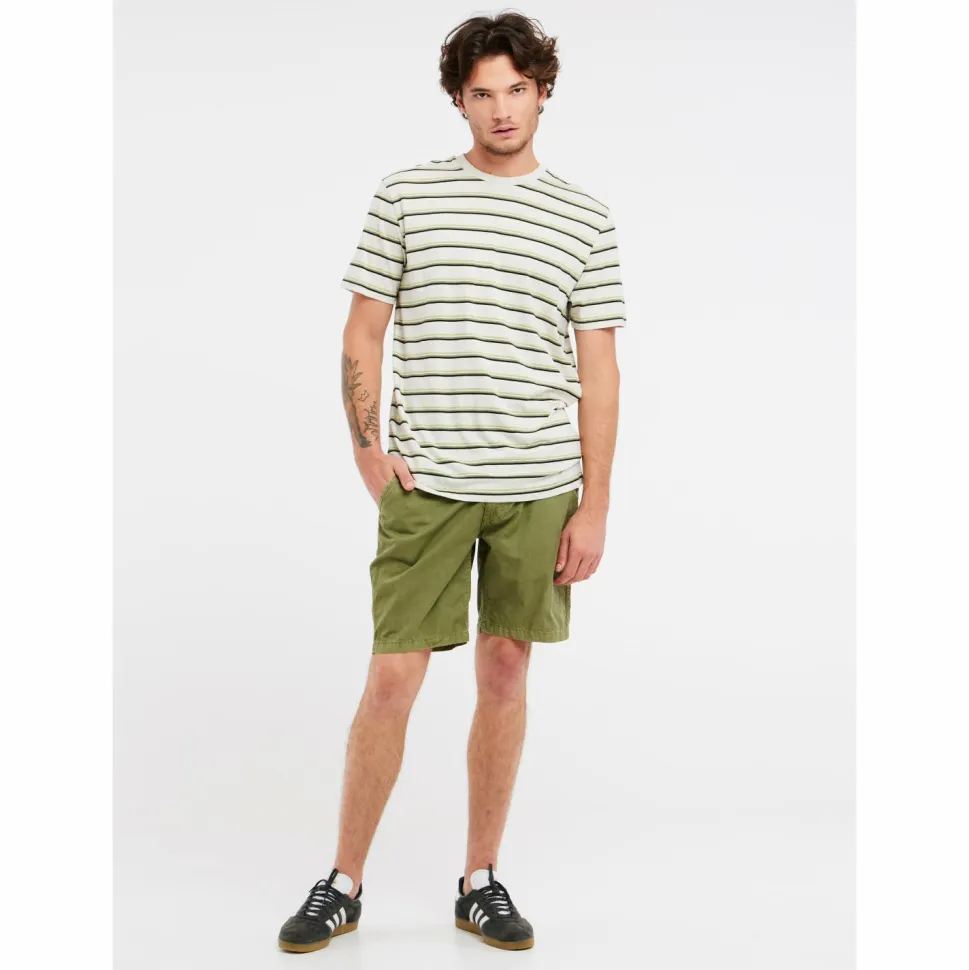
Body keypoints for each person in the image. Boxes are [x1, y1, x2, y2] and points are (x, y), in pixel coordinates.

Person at [278, 11, 625, 953]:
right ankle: (342, 881)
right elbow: (363, 330)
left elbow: (599, 369)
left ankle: (480, 880)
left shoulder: (585, 216)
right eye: (482, 93)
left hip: (538, 484)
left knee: (506, 670)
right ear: (459, 100)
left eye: (517, 89)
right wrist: (367, 451)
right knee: (393, 677)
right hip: (427, 482)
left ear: (543, 92)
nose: (502, 109)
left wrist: (595, 504)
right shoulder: (408, 196)